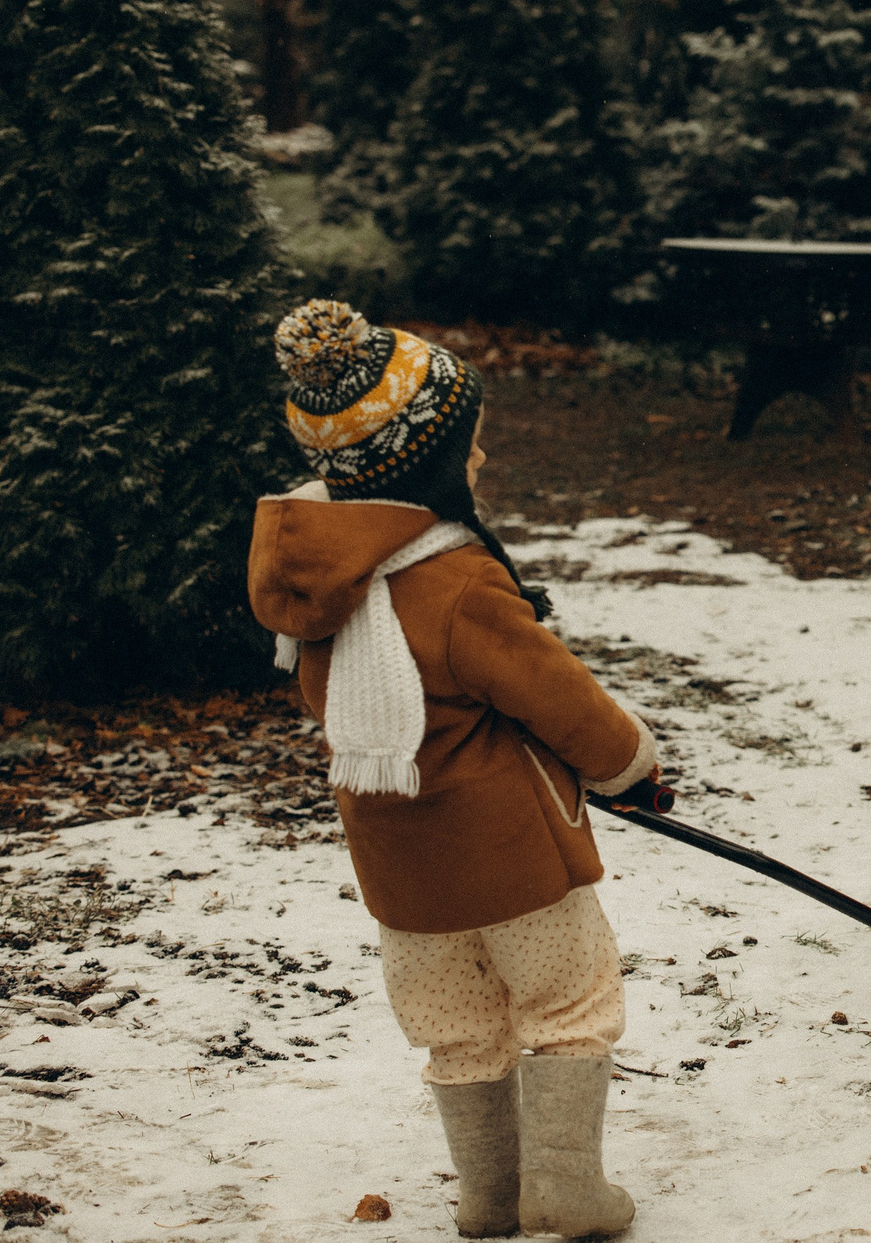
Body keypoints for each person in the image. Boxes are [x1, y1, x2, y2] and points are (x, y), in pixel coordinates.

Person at [247, 299, 656, 1241]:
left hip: (399, 873)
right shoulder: (456, 582)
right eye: (469, 447)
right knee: (567, 1002)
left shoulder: (324, 589)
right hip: (513, 858)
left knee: (458, 1026)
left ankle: (490, 1199)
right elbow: (559, 701)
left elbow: (327, 699)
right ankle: (564, 1191)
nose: (480, 461)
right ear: (418, 462)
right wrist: (631, 764)